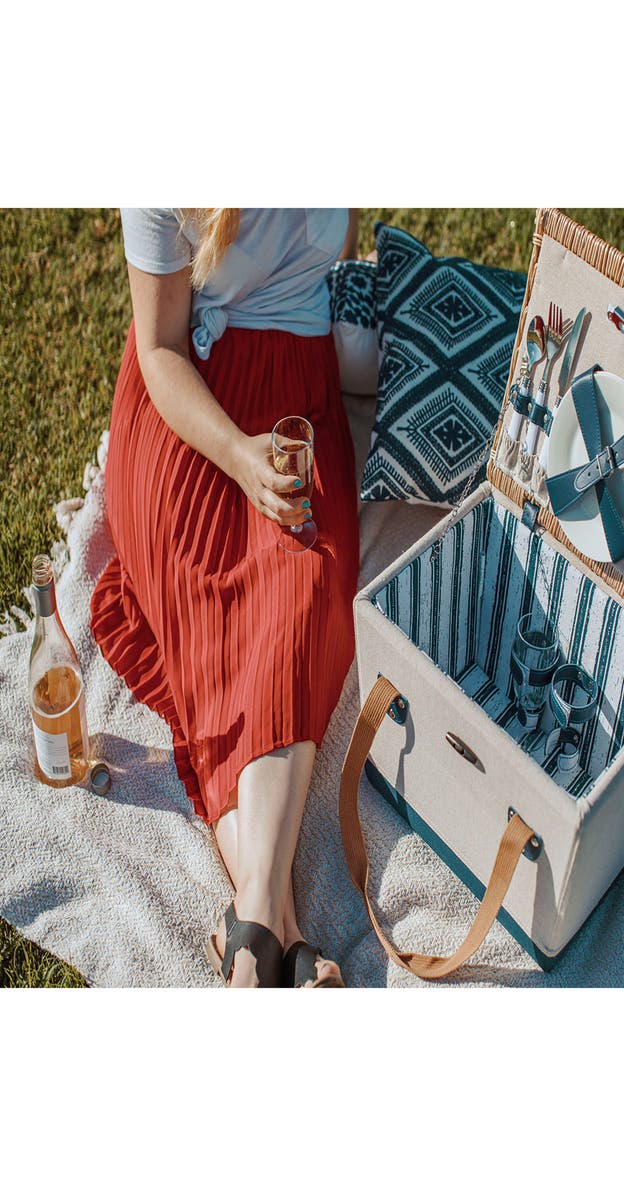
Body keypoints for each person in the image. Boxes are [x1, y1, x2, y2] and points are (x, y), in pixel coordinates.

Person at [89, 209, 361, 987]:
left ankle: (256, 931)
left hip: (298, 392)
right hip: (191, 409)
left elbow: (340, 243)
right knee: (209, 604)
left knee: (305, 602)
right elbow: (160, 348)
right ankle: (276, 934)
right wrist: (240, 457)